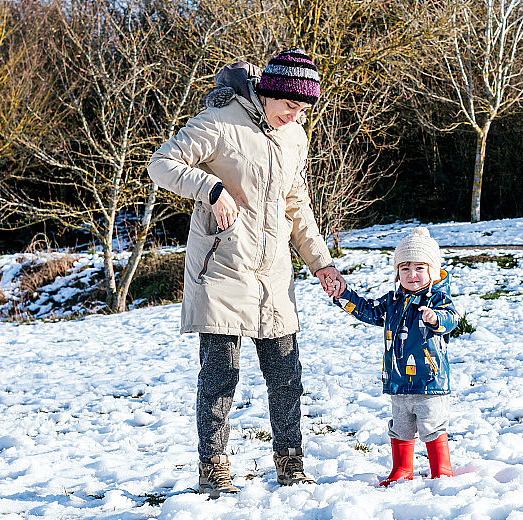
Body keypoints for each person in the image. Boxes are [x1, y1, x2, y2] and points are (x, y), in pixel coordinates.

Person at [147, 48, 346, 497]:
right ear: (269, 91)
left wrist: (321, 261)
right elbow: (161, 164)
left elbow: (296, 205)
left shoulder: (295, 137)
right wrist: (211, 187)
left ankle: (291, 463)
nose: (294, 116)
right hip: (221, 267)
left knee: (286, 375)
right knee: (220, 375)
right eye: (289, 106)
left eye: (302, 110)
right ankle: (213, 465)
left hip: (273, 272)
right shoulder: (220, 122)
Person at [332, 227, 460, 486]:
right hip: (398, 382)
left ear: (432, 272)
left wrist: (435, 319)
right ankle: (402, 469)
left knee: (432, 426)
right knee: (400, 427)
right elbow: (367, 310)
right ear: (397, 272)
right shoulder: (392, 302)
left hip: (430, 382)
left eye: (419, 268)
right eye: (405, 269)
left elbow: (452, 319)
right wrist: (343, 295)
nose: (412, 275)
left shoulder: (438, 300)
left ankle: (441, 470)